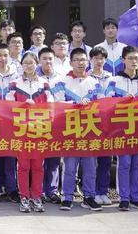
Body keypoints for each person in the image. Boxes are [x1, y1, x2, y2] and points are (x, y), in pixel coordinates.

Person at [56, 48, 104, 212]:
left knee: (90, 167)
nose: (80, 63)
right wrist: (76, 105)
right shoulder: (62, 81)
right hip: (70, 130)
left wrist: (90, 106)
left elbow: (102, 105)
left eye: (83, 60)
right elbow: (57, 104)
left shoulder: (94, 82)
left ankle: (89, 197)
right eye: (76, 60)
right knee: (70, 167)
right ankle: (67, 197)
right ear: (71, 63)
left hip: (90, 130)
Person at [104, 46, 138, 211]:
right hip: (121, 129)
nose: (134, 61)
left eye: (136, 58)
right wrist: (122, 100)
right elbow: (106, 102)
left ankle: (136, 196)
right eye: (130, 58)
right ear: (123, 60)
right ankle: (124, 197)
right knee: (124, 163)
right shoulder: (114, 81)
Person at [6, 52, 53, 213]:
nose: (28, 66)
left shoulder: (44, 83)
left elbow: (51, 105)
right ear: (21, 65)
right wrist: (23, 105)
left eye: (31, 63)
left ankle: (37, 197)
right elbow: (8, 105)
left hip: (40, 129)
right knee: (23, 166)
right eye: (25, 63)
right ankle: (24, 197)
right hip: (21, 130)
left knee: (38, 166)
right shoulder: (15, 83)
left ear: (36, 63)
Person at [0, 43, 20, 203]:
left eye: (5, 55)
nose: (2, 58)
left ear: (10, 56)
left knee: (10, 156)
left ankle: (11, 189)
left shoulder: (17, 74)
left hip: (11, 122)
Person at [37, 47, 65, 204]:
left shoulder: (61, 79)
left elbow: (62, 101)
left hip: (56, 123)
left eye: (50, 59)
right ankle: (39, 190)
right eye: (44, 58)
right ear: (39, 60)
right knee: (39, 159)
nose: (47, 61)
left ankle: (52, 191)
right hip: (38, 124)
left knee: (54, 160)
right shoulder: (33, 78)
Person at [88, 45, 114, 206]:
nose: (99, 61)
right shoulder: (86, 77)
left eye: (102, 58)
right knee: (92, 161)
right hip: (90, 123)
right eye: (96, 58)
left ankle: (103, 191)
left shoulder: (112, 78)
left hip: (108, 124)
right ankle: (92, 191)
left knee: (106, 160)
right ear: (91, 59)